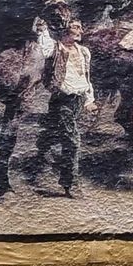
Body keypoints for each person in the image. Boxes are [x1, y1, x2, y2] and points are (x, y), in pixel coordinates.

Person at [35, 19, 96, 196]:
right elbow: (44, 46)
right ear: (64, 29)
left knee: (55, 134)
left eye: (81, 27)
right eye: (76, 27)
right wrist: (43, 29)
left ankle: (42, 153)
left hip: (79, 100)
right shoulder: (54, 49)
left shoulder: (84, 52)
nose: (81, 31)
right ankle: (70, 183)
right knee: (72, 140)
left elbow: (86, 77)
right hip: (62, 101)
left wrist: (89, 100)